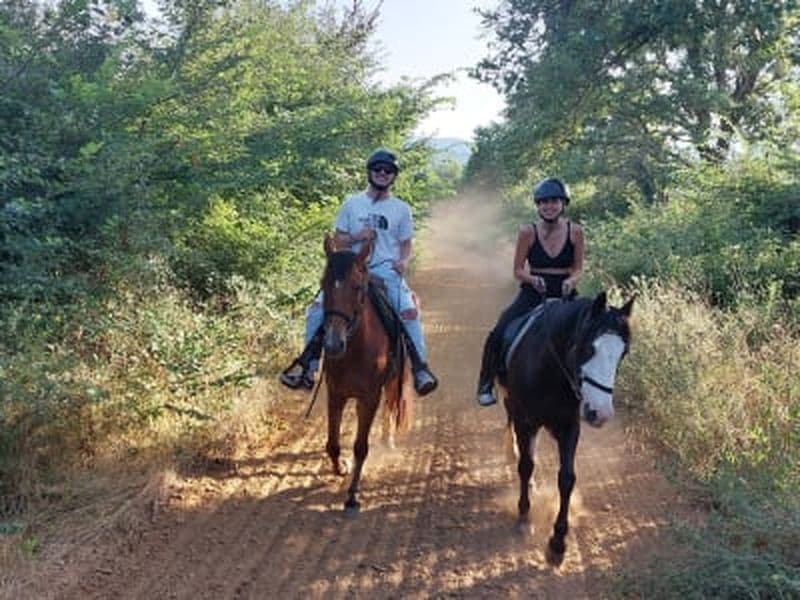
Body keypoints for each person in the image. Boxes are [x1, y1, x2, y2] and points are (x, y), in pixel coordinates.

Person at [280, 149, 438, 396]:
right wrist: (357, 236)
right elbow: (338, 240)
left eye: (388, 170)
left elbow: (406, 243)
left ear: (394, 176)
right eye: (378, 169)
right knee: (317, 310)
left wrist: (404, 261)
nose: (383, 173)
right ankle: (308, 366)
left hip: (386, 269)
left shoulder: (401, 209)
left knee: (409, 313)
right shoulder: (352, 203)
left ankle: (420, 368)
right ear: (370, 172)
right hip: (350, 269)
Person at [476, 177, 585, 407]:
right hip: (534, 291)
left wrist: (571, 280)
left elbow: (578, 268)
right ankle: (486, 382)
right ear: (537, 205)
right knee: (500, 330)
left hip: (565, 291)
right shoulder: (528, 231)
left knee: (591, 331)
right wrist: (532, 279)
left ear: (563, 203)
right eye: (544, 202)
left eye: (554, 201)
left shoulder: (575, 231)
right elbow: (517, 270)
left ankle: (589, 388)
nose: (549, 206)